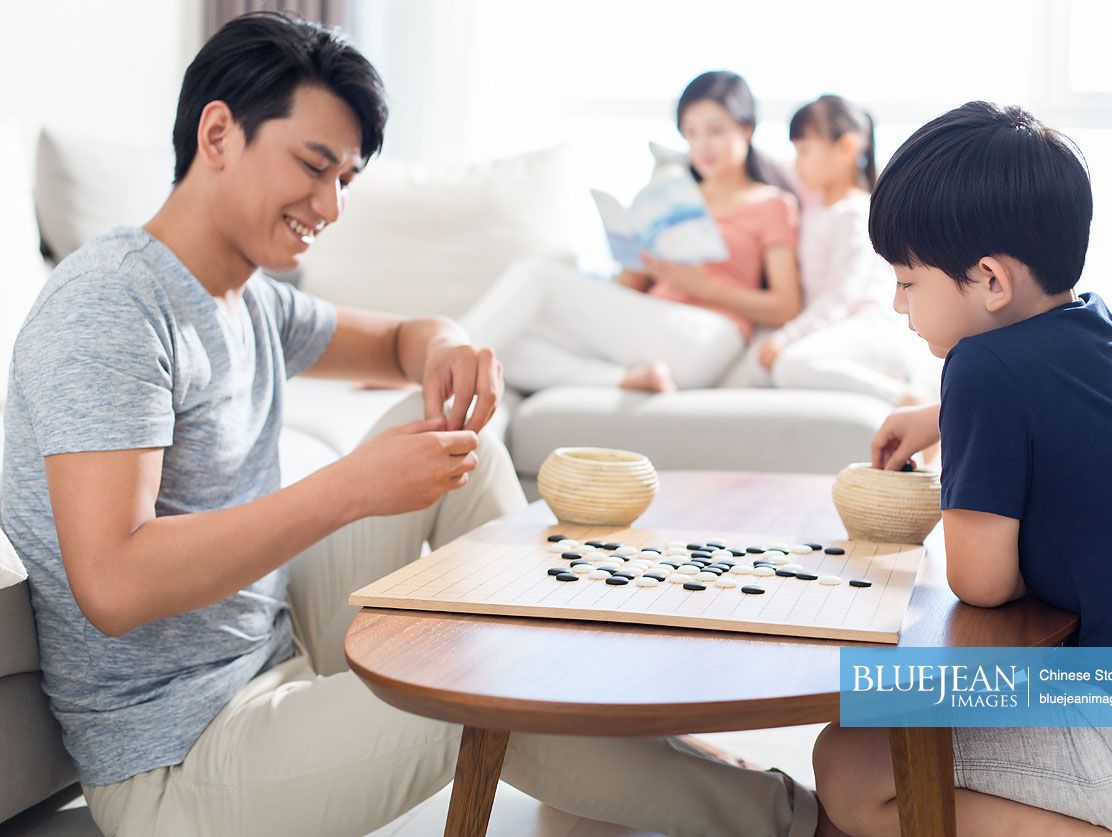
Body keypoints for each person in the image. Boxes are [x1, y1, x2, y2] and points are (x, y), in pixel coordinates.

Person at [0, 14, 821, 835]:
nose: (330, 205)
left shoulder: (245, 299)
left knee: (442, 434)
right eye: (314, 166)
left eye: (346, 179)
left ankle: (587, 699)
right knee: (473, 685)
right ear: (219, 133)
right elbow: (112, 583)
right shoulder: (112, 307)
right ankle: (792, 821)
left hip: (275, 650)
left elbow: (401, 339)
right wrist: (350, 489)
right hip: (178, 760)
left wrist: (450, 346)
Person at [811, 101, 1112, 836]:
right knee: (873, 718)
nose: (896, 303)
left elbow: (980, 582)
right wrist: (940, 417)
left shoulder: (979, 367)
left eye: (906, 280)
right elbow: (1052, 413)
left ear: (987, 280)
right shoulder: (1087, 324)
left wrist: (963, 445)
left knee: (849, 765)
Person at [459, 70, 802, 394]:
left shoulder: (772, 204)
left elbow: (786, 305)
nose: (702, 145)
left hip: (706, 334)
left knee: (536, 276)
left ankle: (437, 364)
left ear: (746, 129)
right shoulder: (672, 195)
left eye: (715, 131)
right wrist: (637, 259)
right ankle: (622, 379)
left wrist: (704, 286)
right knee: (505, 345)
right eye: (691, 133)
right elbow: (630, 290)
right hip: (651, 324)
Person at [744, 95, 932, 404]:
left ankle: (905, 397)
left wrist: (786, 337)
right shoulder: (815, 204)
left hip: (871, 329)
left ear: (846, 148)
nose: (796, 162)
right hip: (837, 328)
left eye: (804, 150)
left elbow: (843, 295)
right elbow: (771, 168)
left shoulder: (855, 212)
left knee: (790, 364)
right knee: (757, 365)